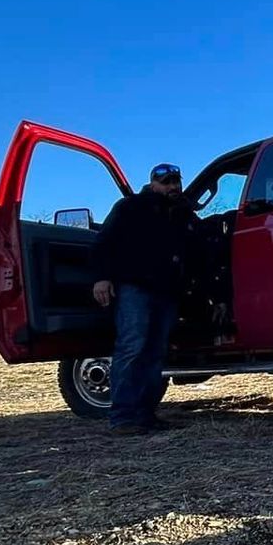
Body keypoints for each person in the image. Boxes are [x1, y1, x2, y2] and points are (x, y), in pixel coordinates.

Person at [91, 162, 197, 434]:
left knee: (156, 353)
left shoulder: (183, 213)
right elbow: (104, 242)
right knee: (132, 347)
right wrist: (102, 277)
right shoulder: (130, 207)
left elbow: (200, 250)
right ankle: (123, 417)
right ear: (153, 183)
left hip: (168, 291)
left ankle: (146, 415)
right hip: (134, 288)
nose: (173, 186)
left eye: (176, 181)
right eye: (166, 182)